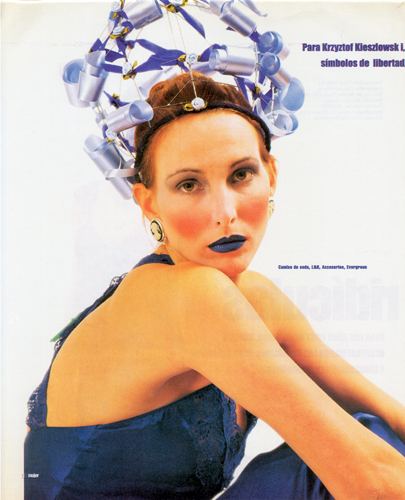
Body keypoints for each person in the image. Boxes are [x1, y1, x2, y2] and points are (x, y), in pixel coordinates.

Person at [24, 73, 405, 500]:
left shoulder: (252, 297)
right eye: (189, 185)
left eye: (241, 174)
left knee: (375, 432)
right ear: (149, 202)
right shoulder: (188, 297)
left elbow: (389, 419)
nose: (224, 212)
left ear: (271, 175)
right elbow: (372, 478)